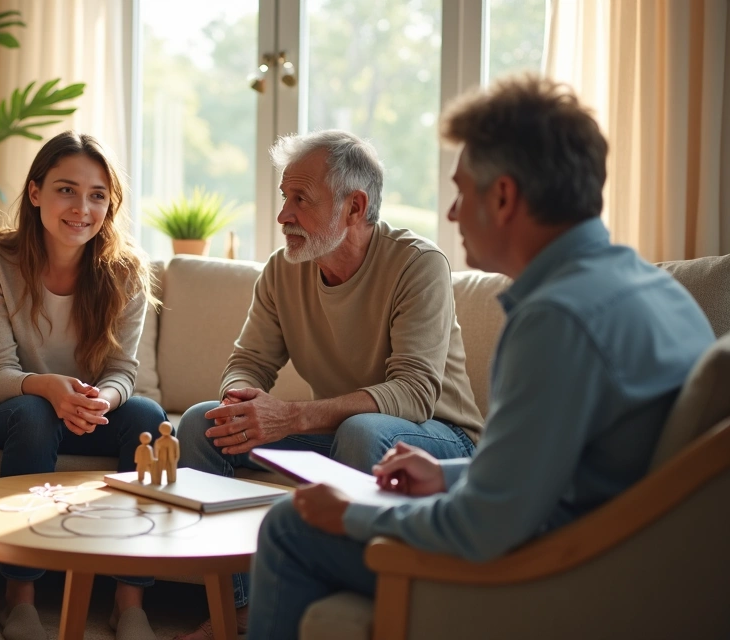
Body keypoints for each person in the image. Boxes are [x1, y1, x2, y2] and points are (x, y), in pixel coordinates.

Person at [245, 74, 716, 639]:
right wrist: (446, 474)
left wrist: (351, 513)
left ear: (504, 197)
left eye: (462, 191)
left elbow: (484, 526)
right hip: (603, 552)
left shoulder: (556, 319)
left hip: (556, 572)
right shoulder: (651, 288)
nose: (451, 214)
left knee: (290, 528)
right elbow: (567, 469)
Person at [174, 129, 485, 639]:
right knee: (201, 423)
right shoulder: (282, 270)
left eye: (301, 199)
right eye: (284, 198)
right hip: (341, 430)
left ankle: (326, 608)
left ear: (354, 207)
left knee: (363, 431)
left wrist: (291, 416)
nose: (283, 215)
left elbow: (413, 392)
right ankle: (236, 612)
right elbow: (249, 361)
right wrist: (240, 400)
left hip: (437, 437)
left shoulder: (418, 264)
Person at [0, 131, 167, 640]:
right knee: (36, 413)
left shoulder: (127, 270)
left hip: (91, 410)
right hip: (15, 410)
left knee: (147, 417)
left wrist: (101, 400)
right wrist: (49, 388)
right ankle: (19, 597)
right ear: (35, 192)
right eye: (66, 190)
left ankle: (129, 601)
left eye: (98, 195)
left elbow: (123, 372)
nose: (82, 208)